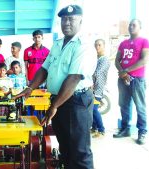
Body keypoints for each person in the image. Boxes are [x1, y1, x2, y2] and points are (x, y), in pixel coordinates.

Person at [14, 5, 96, 168]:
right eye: (64, 19)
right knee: (65, 147)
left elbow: (74, 78)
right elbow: (44, 69)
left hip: (76, 102)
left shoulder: (83, 45)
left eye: (71, 19)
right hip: (60, 101)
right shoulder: (58, 44)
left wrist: (54, 106)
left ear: (81, 21)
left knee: (80, 151)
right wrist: (30, 88)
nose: (67, 23)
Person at [113, 19, 149, 145]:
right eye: (130, 25)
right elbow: (117, 60)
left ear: (140, 27)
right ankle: (125, 129)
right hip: (123, 79)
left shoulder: (144, 41)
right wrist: (122, 73)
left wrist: (127, 71)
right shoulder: (123, 43)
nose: (131, 26)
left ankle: (142, 132)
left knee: (140, 107)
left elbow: (145, 59)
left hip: (137, 80)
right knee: (124, 105)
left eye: (134, 25)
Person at [91, 39, 110, 138]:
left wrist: (90, 80)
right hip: (92, 88)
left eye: (99, 45)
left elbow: (97, 73)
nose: (97, 47)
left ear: (104, 46)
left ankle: (101, 130)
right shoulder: (96, 58)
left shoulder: (105, 59)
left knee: (94, 109)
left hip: (98, 88)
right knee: (91, 109)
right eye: (96, 45)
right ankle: (94, 128)